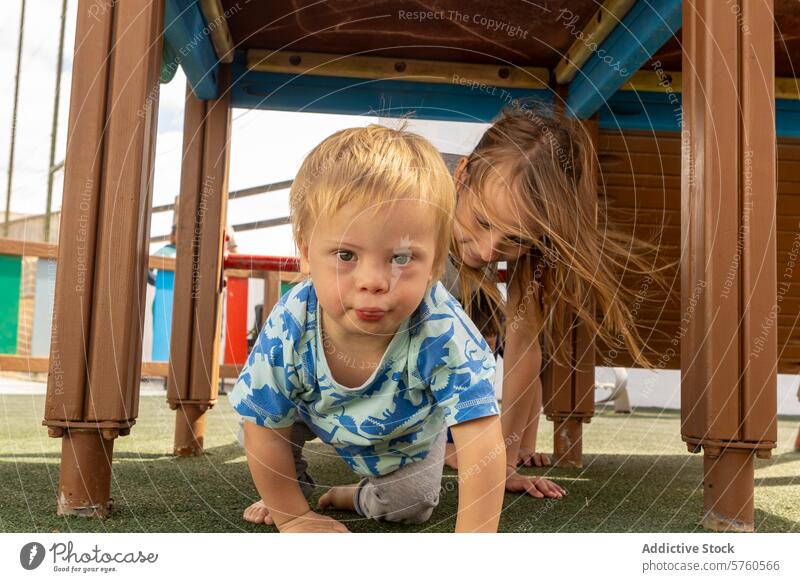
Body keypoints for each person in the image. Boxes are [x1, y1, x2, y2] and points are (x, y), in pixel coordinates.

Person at [229, 124, 507, 533]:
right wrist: (293, 517)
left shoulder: (442, 329)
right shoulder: (293, 321)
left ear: (434, 264)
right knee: (256, 423)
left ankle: (354, 495)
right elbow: (262, 423)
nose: (374, 280)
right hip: (312, 412)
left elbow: (481, 434)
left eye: (400, 257)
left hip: (405, 434)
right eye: (346, 254)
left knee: (412, 504)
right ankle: (294, 485)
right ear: (306, 252)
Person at [447, 101, 672, 497]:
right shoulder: (415, 198)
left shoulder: (527, 228)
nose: (487, 249)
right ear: (462, 174)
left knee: (500, 330)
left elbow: (524, 346)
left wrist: (503, 461)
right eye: (482, 222)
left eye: (514, 239)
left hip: (461, 310)